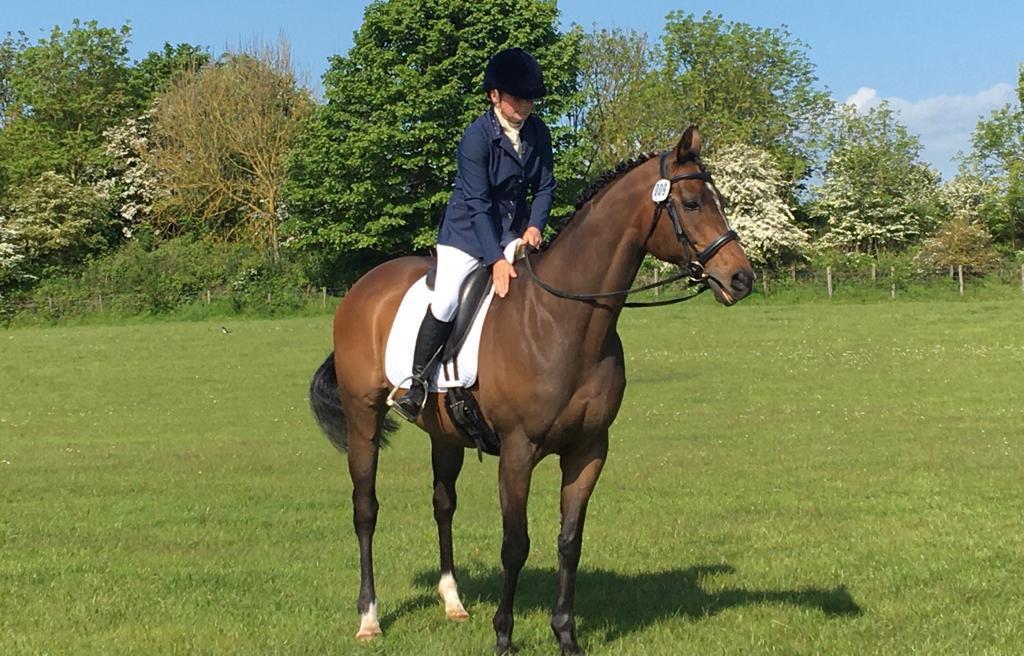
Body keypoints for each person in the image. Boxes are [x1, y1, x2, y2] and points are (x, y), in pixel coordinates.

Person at [389, 47, 556, 422]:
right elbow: (478, 204)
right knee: (447, 298)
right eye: (517, 98)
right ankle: (416, 383)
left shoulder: (538, 133)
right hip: (465, 235)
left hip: (514, 233)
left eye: (530, 98)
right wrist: (495, 259)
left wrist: (534, 227)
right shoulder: (476, 138)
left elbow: (545, 186)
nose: (525, 105)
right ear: (494, 95)